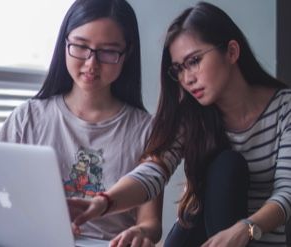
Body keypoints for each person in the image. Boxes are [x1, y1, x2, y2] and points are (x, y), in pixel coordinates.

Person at [0, 0, 163, 247]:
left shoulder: (146, 130)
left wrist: (141, 233)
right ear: (64, 44)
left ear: (127, 53)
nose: (91, 63)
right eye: (80, 46)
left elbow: (151, 223)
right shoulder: (28, 117)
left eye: (108, 51)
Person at [69, 1, 291, 247]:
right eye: (178, 69)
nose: (187, 79)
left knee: (229, 165)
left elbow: (287, 193)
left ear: (231, 52)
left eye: (194, 61)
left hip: (258, 239)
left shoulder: (285, 109)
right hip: (205, 237)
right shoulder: (192, 115)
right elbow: (153, 171)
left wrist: (246, 229)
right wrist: (104, 201)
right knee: (224, 165)